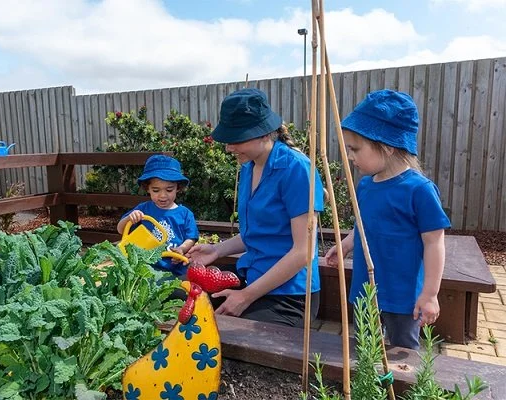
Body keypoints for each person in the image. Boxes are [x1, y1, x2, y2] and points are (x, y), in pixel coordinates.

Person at [187, 88, 325, 327]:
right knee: (182, 302)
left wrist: (245, 297)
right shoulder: (250, 166)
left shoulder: (296, 169)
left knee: (219, 333)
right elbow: (258, 234)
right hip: (253, 278)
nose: (229, 148)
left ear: (263, 133)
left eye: (236, 139)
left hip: (289, 296)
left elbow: (303, 252)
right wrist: (217, 250)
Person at [324, 89, 451, 350]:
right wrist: (347, 244)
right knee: (366, 353)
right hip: (366, 291)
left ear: (388, 146)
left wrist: (430, 294)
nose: (350, 157)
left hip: (403, 297)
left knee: (403, 355)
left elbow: (434, 243)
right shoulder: (366, 186)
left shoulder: (419, 190)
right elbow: (364, 225)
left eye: (355, 149)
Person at [117, 154, 199, 277]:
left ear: (178, 187)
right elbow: (121, 229)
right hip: (146, 269)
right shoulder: (143, 209)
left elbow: (191, 238)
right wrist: (130, 218)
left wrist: (182, 249)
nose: (163, 195)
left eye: (169, 190)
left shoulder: (185, 214)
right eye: (156, 190)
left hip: (175, 270)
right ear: (147, 188)